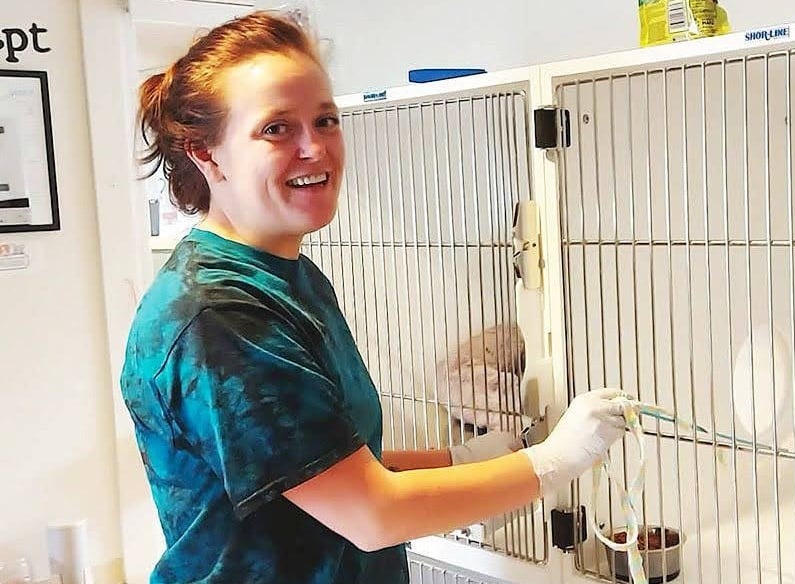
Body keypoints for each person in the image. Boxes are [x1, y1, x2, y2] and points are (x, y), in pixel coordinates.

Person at [121, 11, 629, 584]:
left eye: (325, 120)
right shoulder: (220, 314)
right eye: (276, 128)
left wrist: (465, 459)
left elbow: (329, 465)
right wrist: (555, 462)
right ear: (206, 154)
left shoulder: (293, 277)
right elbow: (371, 512)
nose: (314, 147)